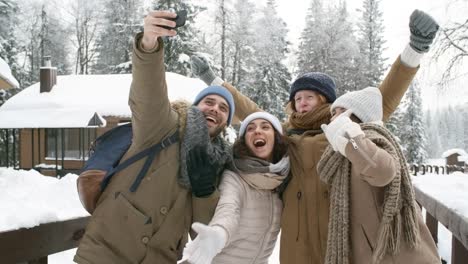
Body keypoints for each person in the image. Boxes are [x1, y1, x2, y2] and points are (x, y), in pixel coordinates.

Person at [190, 9, 439, 264]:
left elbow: (382, 99)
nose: (302, 103)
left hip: (337, 231)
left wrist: (414, 51)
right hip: (298, 240)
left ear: (325, 101)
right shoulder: (286, 134)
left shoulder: (342, 126)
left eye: (309, 97)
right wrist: (212, 79)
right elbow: (252, 112)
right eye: (297, 98)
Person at [74, 10, 236, 264]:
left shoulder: (218, 162)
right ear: (196, 106)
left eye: (224, 108)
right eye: (209, 102)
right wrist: (149, 45)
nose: (215, 108)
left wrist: (204, 191)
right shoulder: (163, 125)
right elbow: (148, 90)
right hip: (105, 254)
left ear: (225, 122)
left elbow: (201, 229)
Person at [318, 87, 440, 264]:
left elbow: (382, 171)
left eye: (341, 111)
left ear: (358, 115)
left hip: (396, 255)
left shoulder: (371, 140)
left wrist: (351, 138)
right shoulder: (344, 152)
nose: (333, 118)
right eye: (333, 113)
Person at [181, 112, 289, 264]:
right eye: (250, 129)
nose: (257, 130)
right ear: (244, 141)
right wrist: (218, 234)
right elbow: (228, 209)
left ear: (277, 138)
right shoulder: (235, 177)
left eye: (265, 127)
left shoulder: (282, 180)